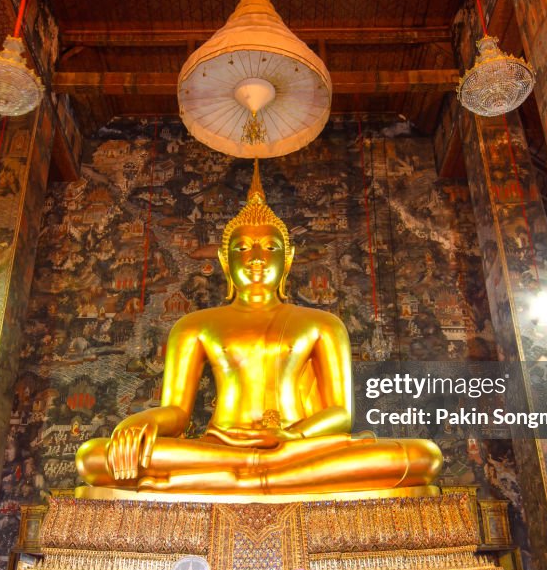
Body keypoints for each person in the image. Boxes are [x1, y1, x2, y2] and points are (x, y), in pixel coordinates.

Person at [76, 163, 442, 494]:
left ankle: (243, 475)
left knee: (422, 456)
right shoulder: (195, 325)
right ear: (224, 259)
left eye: (269, 247)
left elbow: (340, 414)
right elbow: (177, 412)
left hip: (297, 447)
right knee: (93, 457)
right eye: (242, 248)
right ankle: (257, 471)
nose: (255, 258)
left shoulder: (322, 324)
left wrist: (291, 435)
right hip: (219, 445)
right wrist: (141, 421)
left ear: (288, 258)